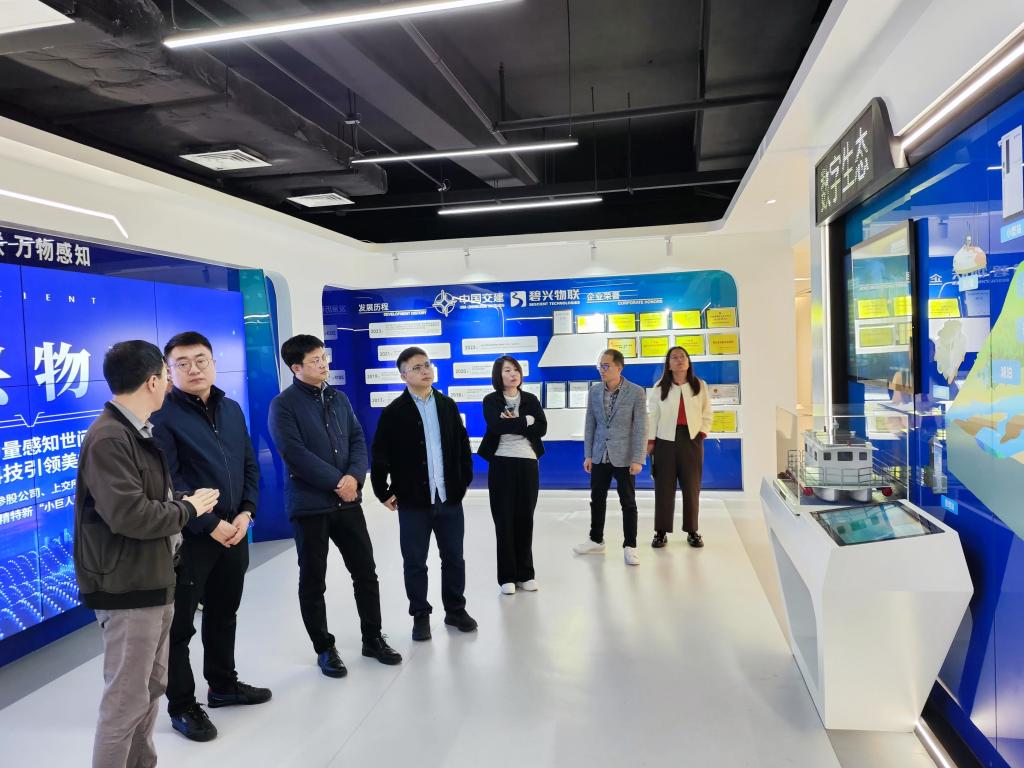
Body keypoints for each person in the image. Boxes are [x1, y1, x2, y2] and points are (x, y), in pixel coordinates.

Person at [73, 340, 219, 768]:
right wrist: (189, 509)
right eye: (168, 375)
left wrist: (180, 506)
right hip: (127, 587)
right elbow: (130, 515)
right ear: (154, 381)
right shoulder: (109, 437)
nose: (171, 383)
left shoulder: (137, 431)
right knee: (125, 702)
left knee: (150, 690)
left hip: (153, 579)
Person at [151, 331, 270, 743]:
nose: (194, 369)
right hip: (192, 539)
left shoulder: (231, 408)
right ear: (169, 372)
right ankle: (182, 705)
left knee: (223, 612)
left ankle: (222, 685)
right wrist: (210, 524)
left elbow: (249, 464)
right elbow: (170, 481)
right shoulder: (163, 416)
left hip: (235, 532)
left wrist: (246, 512)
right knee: (179, 627)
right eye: (182, 363)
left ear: (214, 363)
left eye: (201, 360)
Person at [268, 334, 401, 679]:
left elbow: (357, 440)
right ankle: (324, 648)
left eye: (323, 357)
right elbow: (294, 453)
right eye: (314, 360)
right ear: (296, 368)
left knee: (365, 572)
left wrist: (354, 477)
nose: (323, 364)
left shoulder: (338, 398)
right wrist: (338, 482)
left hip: (348, 504)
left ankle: (373, 638)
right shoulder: (283, 405)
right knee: (313, 580)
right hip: (310, 506)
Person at [371, 346, 477, 641]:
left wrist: (463, 481)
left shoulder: (447, 405)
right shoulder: (394, 413)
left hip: (448, 497)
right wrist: (382, 491)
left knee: (454, 558)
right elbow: (380, 456)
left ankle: (455, 610)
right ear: (403, 375)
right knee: (415, 562)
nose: (425, 371)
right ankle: (420, 615)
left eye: (427, 365)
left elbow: (462, 447)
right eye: (416, 367)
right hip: (413, 501)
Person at [477, 356, 547, 595]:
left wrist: (514, 422)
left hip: (528, 461)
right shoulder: (491, 400)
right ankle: (507, 576)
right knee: (504, 519)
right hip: (501, 462)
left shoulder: (530, 399)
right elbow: (496, 427)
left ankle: (526, 574)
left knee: (525, 518)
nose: (513, 373)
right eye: (507, 370)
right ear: (499, 375)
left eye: (516, 369)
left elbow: (542, 427)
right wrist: (526, 421)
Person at [573, 348, 647, 566]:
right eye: (600, 366)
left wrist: (638, 458)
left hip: (625, 456)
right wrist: (588, 454)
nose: (602, 370)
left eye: (606, 366)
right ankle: (596, 539)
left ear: (619, 367)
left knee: (628, 502)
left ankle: (630, 545)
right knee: (597, 499)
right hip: (599, 454)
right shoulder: (595, 391)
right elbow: (590, 424)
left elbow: (641, 427)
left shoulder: (636, 392)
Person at [647, 346, 713, 548]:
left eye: (683, 356)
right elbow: (653, 417)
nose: (679, 360)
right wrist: (650, 442)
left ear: (688, 361)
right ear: (668, 365)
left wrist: (702, 433)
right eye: (674, 357)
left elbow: (707, 412)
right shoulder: (660, 387)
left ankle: (692, 531)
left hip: (691, 439)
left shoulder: (699, 385)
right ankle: (661, 532)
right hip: (664, 441)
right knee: (663, 488)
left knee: (692, 487)